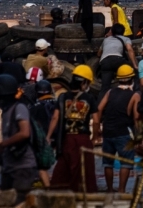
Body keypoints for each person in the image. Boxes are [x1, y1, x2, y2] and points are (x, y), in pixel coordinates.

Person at [50, 65, 98, 193]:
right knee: (85, 171)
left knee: (63, 170)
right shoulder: (90, 98)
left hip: (67, 138)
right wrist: (95, 138)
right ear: (83, 82)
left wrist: (48, 136)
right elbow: (97, 120)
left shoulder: (63, 97)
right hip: (83, 138)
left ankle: (59, 195)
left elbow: (55, 118)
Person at [0, 75, 37, 204]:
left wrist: (3, 145)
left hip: (23, 167)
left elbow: (24, 133)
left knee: (19, 202)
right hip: (9, 166)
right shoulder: (6, 111)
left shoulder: (19, 108)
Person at [97, 65, 139, 193]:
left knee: (108, 162)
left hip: (108, 131)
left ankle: (110, 189)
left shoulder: (110, 92)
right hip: (123, 132)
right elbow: (136, 118)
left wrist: (99, 126)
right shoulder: (134, 95)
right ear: (131, 79)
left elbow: (99, 109)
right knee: (126, 162)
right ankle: (121, 190)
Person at [96, 24, 137, 101]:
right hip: (118, 60)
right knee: (133, 73)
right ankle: (133, 94)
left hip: (105, 62)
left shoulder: (106, 40)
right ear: (123, 32)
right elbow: (130, 50)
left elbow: (98, 54)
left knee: (104, 87)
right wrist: (134, 65)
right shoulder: (125, 39)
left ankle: (99, 108)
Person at [30, 80, 59, 188]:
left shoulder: (34, 108)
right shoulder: (58, 104)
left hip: (42, 140)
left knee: (41, 166)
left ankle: (47, 188)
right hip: (59, 138)